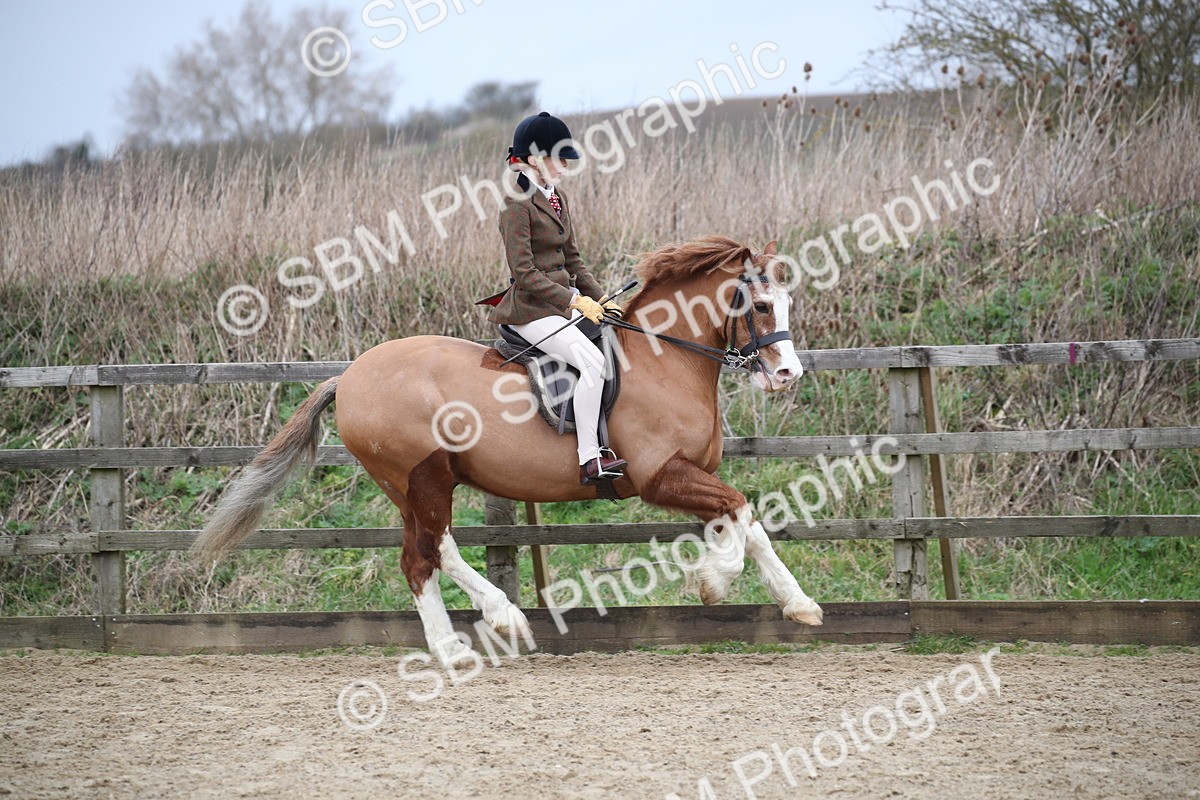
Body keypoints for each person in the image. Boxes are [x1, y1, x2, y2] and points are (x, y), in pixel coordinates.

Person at [487, 112, 627, 485]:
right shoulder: (515, 204)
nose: (565, 167)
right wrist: (574, 301)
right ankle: (590, 459)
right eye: (558, 158)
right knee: (594, 363)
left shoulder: (556, 197)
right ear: (534, 160)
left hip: (564, 304)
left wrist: (602, 299)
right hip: (532, 311)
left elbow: (573, 259)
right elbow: (525, 274)